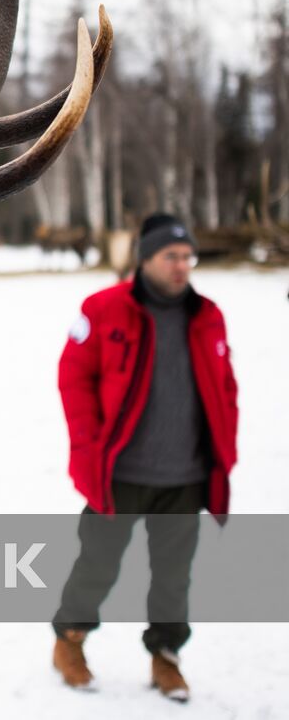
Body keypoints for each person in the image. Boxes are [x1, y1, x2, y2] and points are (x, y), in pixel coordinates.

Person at [50, 213, 239, 702]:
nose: (182, 266)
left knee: (174, 576)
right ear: (146, 259)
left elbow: (225, 388)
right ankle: (69, 640)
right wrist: (89, 454)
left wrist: (224, 451)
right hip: (119, 475)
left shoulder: (207, 315)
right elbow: (73, 381)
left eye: (187, 256)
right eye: (170, 257)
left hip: (186, 476)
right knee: (98, 565)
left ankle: (166, 657)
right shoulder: (104, 309)